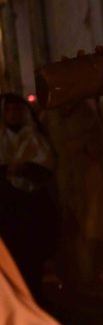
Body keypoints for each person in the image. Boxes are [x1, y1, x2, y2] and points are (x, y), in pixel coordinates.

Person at [0, 93, 60, 303]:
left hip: (31, 205)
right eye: (8, 110)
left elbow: (46, 166)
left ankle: (35, 295)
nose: (13, 114)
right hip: (6, 206)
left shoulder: (34, 137)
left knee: (33, 254)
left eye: (17, 109)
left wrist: (25, 169)